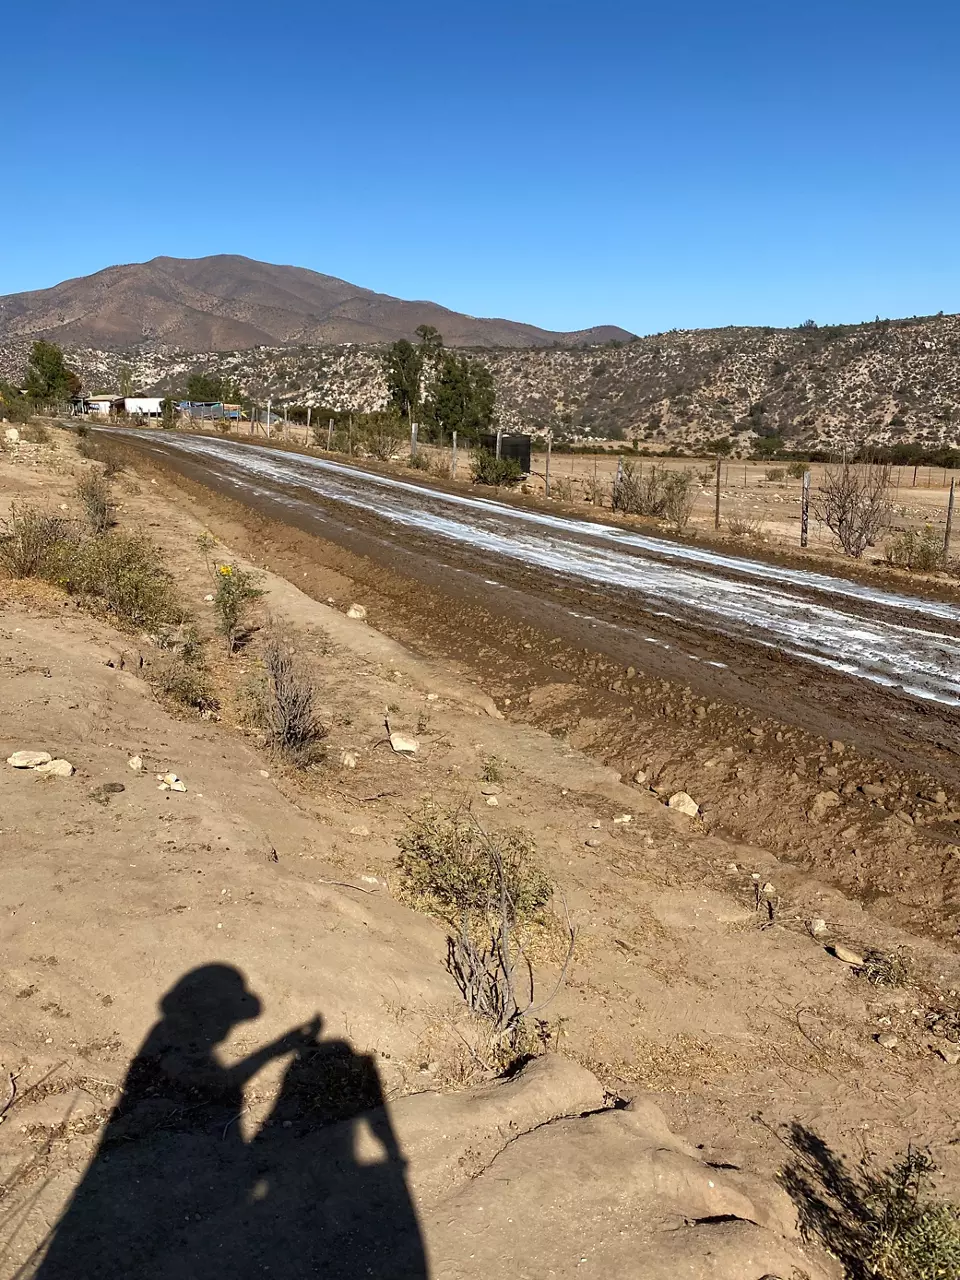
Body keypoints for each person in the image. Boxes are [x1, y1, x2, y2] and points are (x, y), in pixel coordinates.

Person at [32, 965, 427, 1278]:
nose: (228, 1025)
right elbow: (215, 1086)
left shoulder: (169, 1041)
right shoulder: (171, 1045)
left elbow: (219, 1084)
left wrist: (273, 1051)